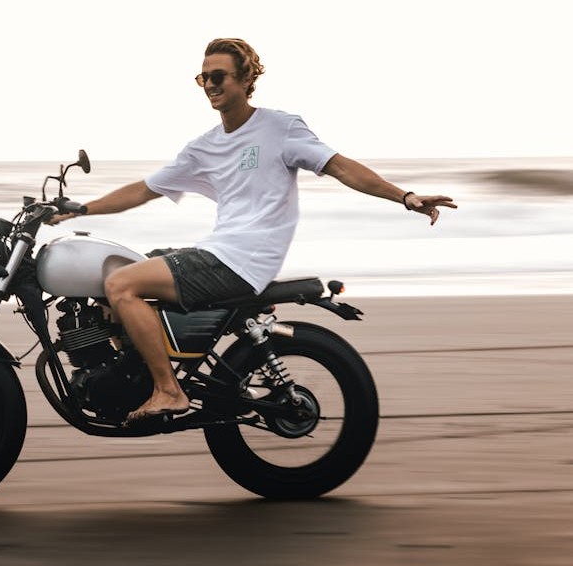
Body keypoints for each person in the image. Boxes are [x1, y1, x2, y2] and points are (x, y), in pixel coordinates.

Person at [49, 37, 457, 424]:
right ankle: (132, 375)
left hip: (243, 261)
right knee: (114, 273)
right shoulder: (204, 146)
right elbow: (144, 189)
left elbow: (341, 166)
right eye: (202, 77)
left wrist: (405, 197)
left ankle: (168, 390)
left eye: (219, 76)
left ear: (246, 80)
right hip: (220, 250)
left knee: (122, 284)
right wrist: (81, 209)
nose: (209, 84)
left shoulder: (280, 129)